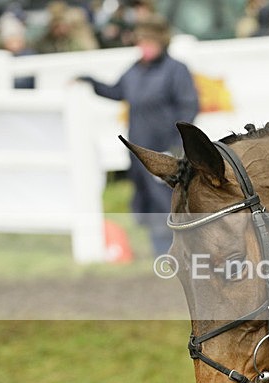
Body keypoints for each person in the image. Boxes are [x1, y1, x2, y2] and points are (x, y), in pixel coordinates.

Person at [77, 15, 199, 256]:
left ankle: (175, 250)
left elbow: (189, 106)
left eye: (148, 42)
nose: (143, 47)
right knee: (145, 202)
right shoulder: (135, 70)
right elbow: (117, 91)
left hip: (165, 148)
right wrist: (90, 82)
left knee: (166, 200)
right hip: (139, 149)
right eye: (140, 42)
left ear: (161, 42)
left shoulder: (175, 70)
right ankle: (158, 251)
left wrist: (177, 144)